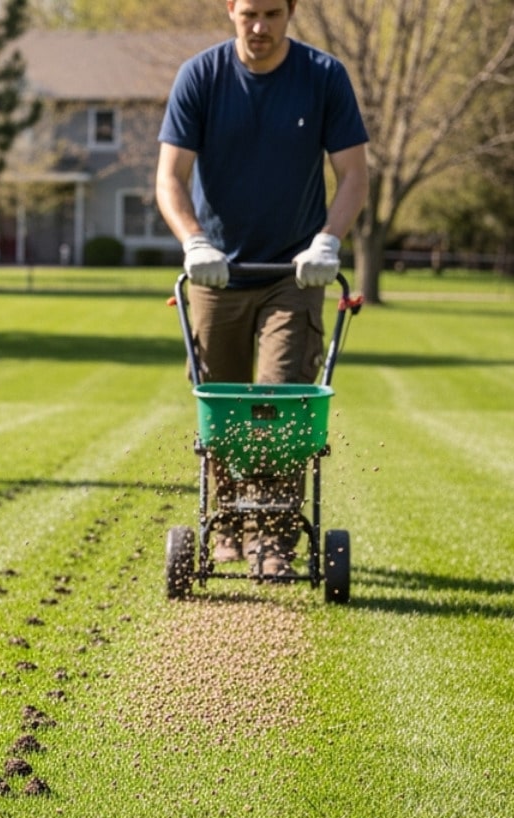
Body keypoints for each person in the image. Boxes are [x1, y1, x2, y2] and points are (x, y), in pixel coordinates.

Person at [155, 0, 368, 579]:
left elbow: (353, 173)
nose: (259, 26)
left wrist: (327, 242)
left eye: (273, 13)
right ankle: (225, 524)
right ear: (230, 9)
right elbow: (170, 178)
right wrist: (195, 242)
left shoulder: (323, 77)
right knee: (221, 406)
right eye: (248, 13)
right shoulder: (201, 77)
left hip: (293, 275)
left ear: (291, 12)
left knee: (279, 403)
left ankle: (272, 539)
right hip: (216, 271)